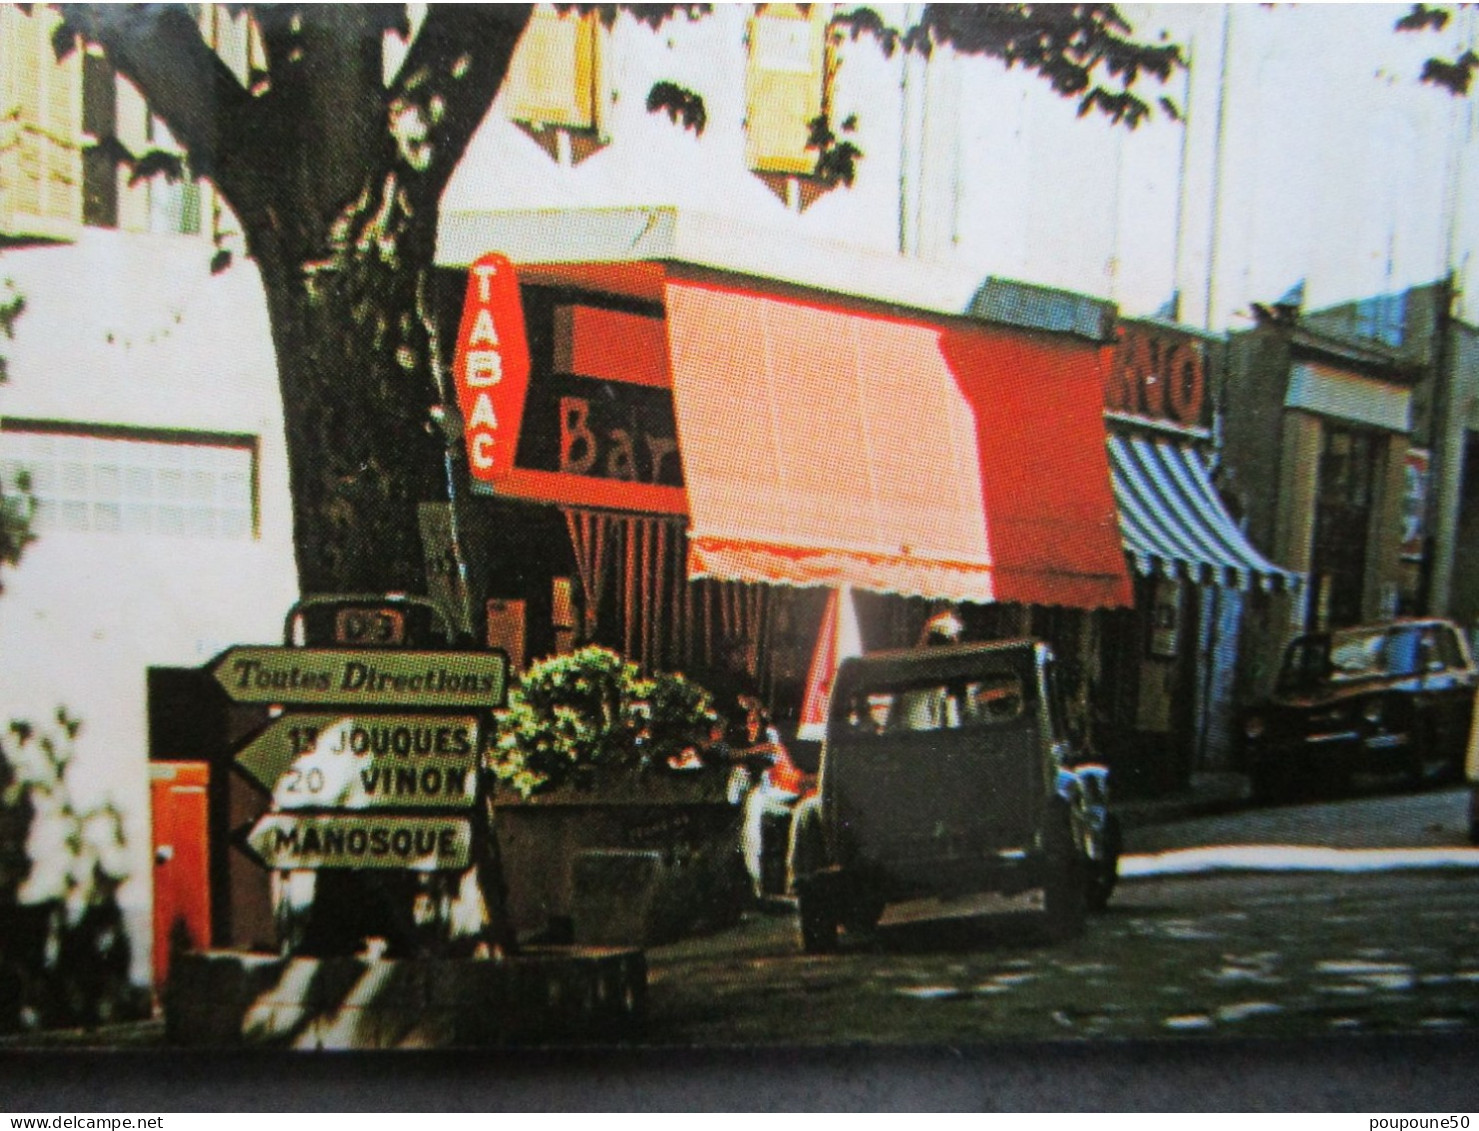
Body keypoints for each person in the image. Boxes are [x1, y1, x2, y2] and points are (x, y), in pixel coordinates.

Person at [726, 695, 810, 900]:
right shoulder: (736, 742)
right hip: (760, 793)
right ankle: (754, 883)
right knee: (750, 802)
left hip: (780, 793)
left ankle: (761, 884)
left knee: (754, 804)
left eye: (753, 722)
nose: (749, 727)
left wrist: (746, 754)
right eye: (746, 723)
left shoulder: (770, 738)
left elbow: (773, 755)